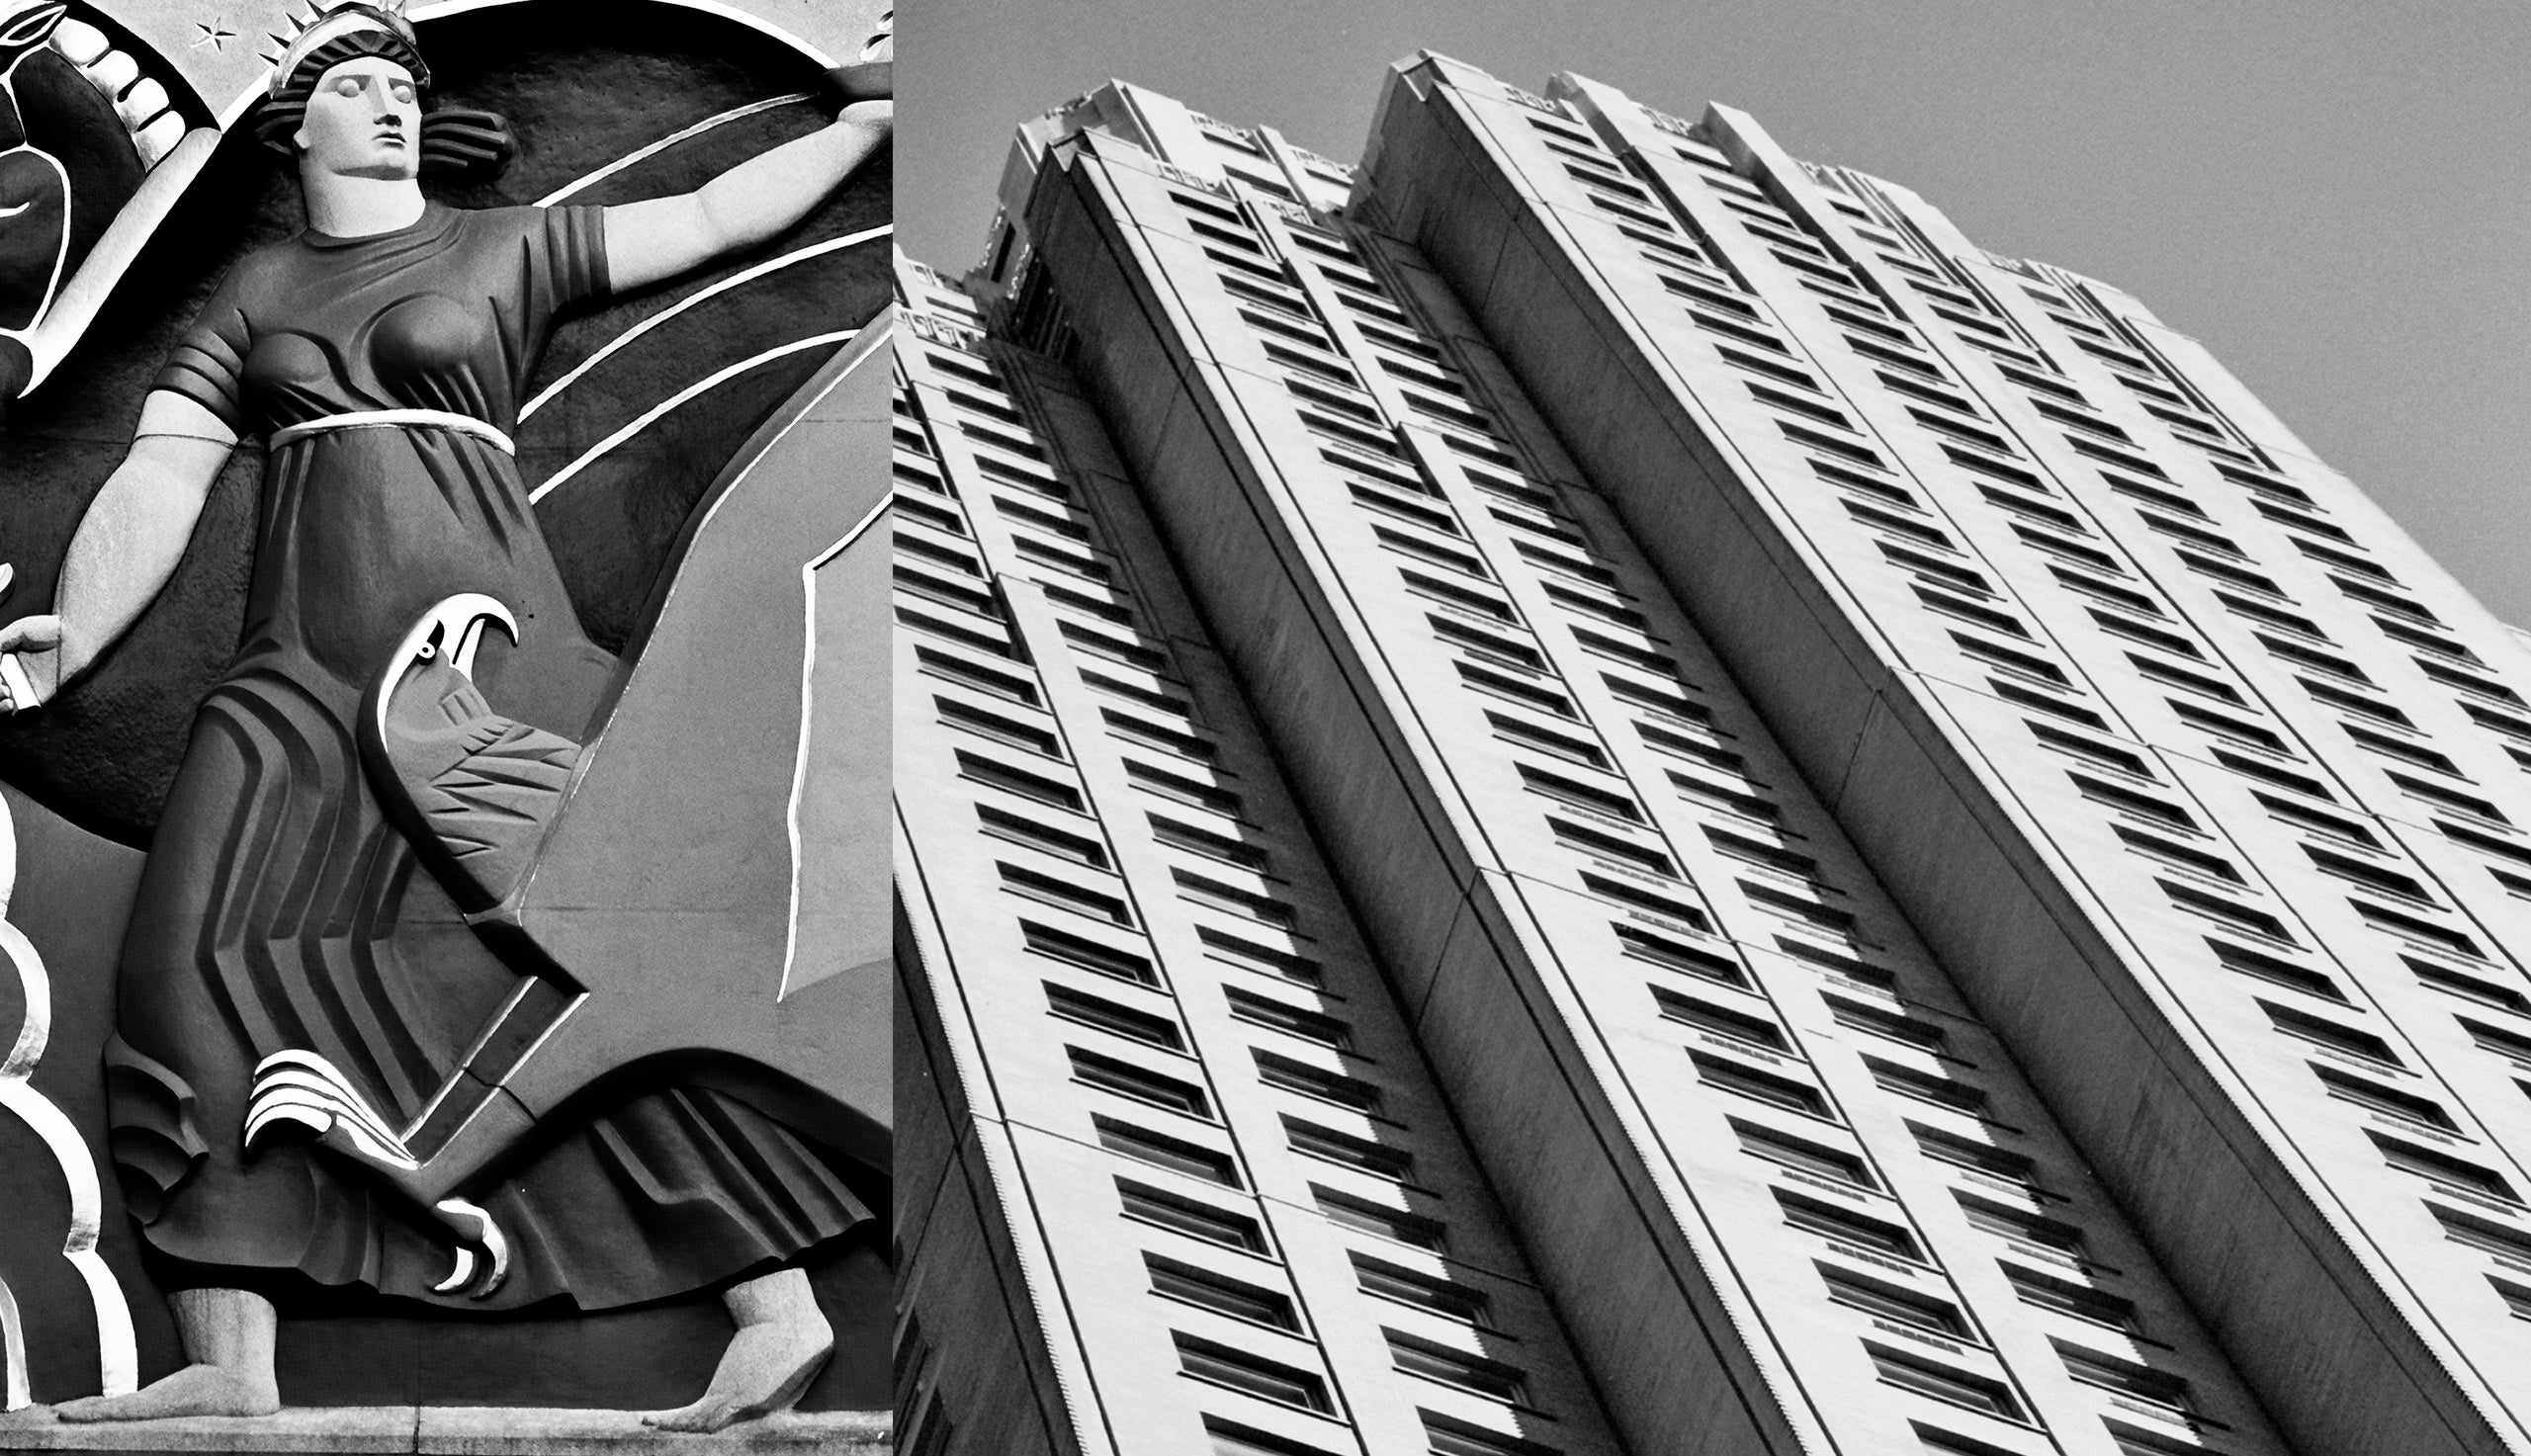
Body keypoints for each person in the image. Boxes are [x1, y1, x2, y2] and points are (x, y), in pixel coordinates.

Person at [0, 3, 890, 1431]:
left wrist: (863, 127)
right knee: (189, 958)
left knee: (593, 952)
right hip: (300, 664)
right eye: (361, 86)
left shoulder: (504, 244)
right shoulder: (256, 293)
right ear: (299, 126)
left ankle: (776, 1310)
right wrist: (74, 629)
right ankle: (232, 1358)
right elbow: (164, 475)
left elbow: (716, 215)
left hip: (481, 641)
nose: (397, 103)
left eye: (406, 85)